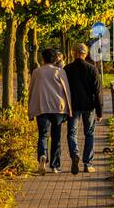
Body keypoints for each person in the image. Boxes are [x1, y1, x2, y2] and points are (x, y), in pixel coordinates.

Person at [27, 48, 72, 174]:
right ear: (55, 59)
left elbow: (31, 90)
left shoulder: (36, 72)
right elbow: (66, 91)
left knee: (43, 135)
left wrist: (30, 110)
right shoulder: (60, 71)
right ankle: (55, 165)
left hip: (42, 107)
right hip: (58, 108)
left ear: (43, 58)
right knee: (56, 137)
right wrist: (69, 111)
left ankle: (42, 155)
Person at [63, 43, 103, 175]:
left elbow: (62, 90)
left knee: (72, 133)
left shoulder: (67, 69)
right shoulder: (92, 69)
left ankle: (75, 154)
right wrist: (99, 110)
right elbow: (97, 92)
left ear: (72, 53)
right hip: (89, 106)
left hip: (73, 106)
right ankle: (87, 164)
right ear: (86, 54)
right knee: (89, 133)